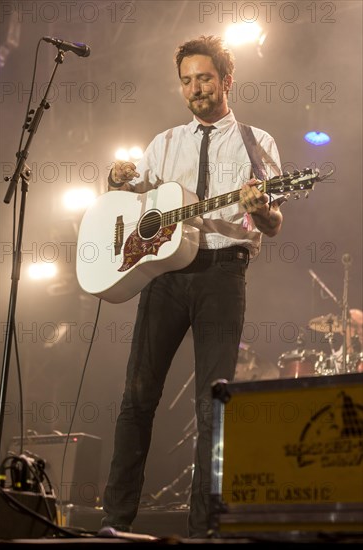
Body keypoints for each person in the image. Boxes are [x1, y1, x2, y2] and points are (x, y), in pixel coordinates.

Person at [101, 35, 284, 538]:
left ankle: (203, 530)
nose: (195, 88)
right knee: (137, 397)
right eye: (186, 80)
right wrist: (117, 179)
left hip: (223, 276)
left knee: (211, 405)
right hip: (165, 276)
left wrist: (260, 208)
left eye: (204, 78)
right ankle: (114, 522)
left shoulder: (257, 142)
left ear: (227, 80)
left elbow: (272, 225)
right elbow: (129, 207)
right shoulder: (164, 143)